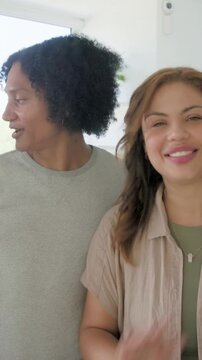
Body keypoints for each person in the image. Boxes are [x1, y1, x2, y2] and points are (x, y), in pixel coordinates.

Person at [0, 34, 125, 360]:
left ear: (65, 99)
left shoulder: (122, 182)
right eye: (8, 99)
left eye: (20, 99)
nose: (6, 114)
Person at [80, 66, 202, 359]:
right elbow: (93, 332)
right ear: (143, 144)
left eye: (195, 117)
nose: (176, 134)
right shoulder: (118, 227)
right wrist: (121, 356)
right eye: (158, 124)